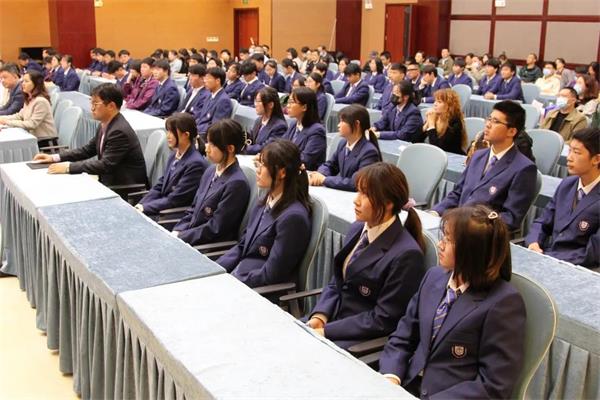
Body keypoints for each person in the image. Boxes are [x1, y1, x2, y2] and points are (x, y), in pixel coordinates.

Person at [380, 204, 526, 399]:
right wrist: (391, 377)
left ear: (471, 251)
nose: (440, 245)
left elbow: (494, 385)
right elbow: (403, 336)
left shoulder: (503, 303)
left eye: (449, 240)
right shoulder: (433, 277)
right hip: (406, 386)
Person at [307, 162, 425, 348]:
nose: (356, 200)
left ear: (388, 203)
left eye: (366, 194)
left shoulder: (406, 254)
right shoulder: (357, 229)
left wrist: (327, 331)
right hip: (332, 321)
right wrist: (320, 316)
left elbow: (382, 319)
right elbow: (337, 282)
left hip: (359, 339)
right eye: (358, 191)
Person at [217, 139, 312, 288]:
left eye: (264, 165)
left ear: (282, 172)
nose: (258, 170)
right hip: (240, 276)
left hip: (260, 290)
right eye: (259, 164)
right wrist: (216, 270)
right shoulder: (264, 201)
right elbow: (242, 246)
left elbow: (272, 274)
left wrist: (233, 283)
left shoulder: (293, 217)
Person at [432, 101, 537, 231]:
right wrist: (436, 212)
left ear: (512, 131)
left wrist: (472, 225)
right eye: (489, 119)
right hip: (455, 225)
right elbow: (457, 193)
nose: (488, 125)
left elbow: (510, 218)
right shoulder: (478, 156)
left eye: (496, 122)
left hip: (480, 235)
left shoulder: (524, 168)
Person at [32, 83, 147, 187]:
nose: (92, 108)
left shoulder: (119, 131)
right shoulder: (106, 123)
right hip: (108, 180)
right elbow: (87, 150)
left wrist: (69, 167)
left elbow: (105, 165)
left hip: (124, 187)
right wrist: (54, 157)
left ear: (111, 106)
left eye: (95, 104)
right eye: (91, 103)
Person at [526, 127, 599, 269]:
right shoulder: (567, 184)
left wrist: (551, 258)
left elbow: (593, 252)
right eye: (570, 150)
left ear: (596, 159)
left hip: (577, 269)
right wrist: (534, 242)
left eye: (577, 153)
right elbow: (543, 221)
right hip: (547, 257)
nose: (569, 157)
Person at [172, 119, 250, 245]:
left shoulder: (237, 183)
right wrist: (177, 230)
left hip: (208, 246)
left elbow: (215, 228)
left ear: (230, 148)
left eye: (213, 145)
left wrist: (182, 237)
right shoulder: (210, 170)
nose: (207, 148)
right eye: (207, 142)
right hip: (191, 235)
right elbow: (193, 209)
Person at [136, 113, 209, 217]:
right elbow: (160, 185)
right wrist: (141, 204)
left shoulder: (196, 164)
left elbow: (176, 199)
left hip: (173, 214)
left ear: (186, 135)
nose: (168, 136)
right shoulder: (174, 155)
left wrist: (145, 208)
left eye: (172, 132)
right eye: (168, 131)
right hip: (162, 206)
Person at [310, 104, 381, 191]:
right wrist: (320, 174)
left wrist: (325, 179)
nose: (338, 125)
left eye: (342, 121)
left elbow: (355, 183)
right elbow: (330, 165)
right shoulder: (343, 143)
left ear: (357, 124)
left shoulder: (369, 152)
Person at [0, 70, 56, 140]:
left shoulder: (41, 101)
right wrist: (2, 118)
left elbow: (32, 124)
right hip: (33, 138)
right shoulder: (29, 99)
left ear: (36, 83)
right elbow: (19, 116)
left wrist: (6, 122)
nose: (22, 84)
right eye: (23, 81)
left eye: (26, 81)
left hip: (45, 141)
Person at [284, 87, 326, 170]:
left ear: (304, 107)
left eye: (292, 102)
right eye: (288, 102)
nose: (288, 106)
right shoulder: (293, 124)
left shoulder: (317, 130)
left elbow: (305, 159)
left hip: (306, 175)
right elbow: (281, 145)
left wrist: (278, 159)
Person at [419, 89, 467, 154]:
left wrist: (431, 125)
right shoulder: (435, 116)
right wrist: (426, 125)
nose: (435, 104)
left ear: (449, 105)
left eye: (439, 102)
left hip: (452, 158)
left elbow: (439, 147)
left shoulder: (455, 121)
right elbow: (415, 140)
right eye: (435, 101)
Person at [245, 87, 288, 155]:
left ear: (270, 105)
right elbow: (251, 139)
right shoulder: (258, 120)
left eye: (259, 101)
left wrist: (245, 148)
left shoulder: (279, 126)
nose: (255, 104)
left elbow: (266, 148)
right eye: (255, 101)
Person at [195, 67, 233, 139]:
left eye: (208, 78)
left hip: (207, 136)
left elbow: (216, 127)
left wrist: (196, 131)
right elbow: (201, 117)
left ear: (217, 81)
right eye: (205, 78)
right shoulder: (209, 95)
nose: (205, 81)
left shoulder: (224, 101)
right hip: (199, 130)